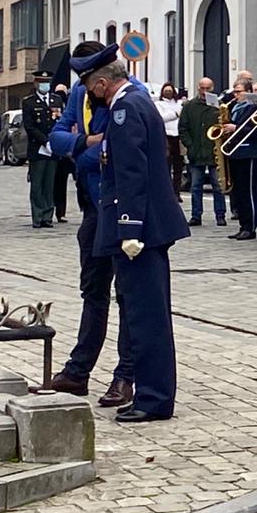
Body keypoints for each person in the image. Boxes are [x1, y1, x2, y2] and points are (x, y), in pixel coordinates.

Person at [81, 49, 188, 422]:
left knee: (146, 316)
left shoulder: (126, 111)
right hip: (148, 226)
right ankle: (152, 393)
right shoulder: (138, 102)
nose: (89, 94)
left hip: (140, 230)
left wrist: (129, 227)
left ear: (101, 83)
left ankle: (153, 398)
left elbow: (131, 174)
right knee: (147, 312)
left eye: (89, 87)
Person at [47, 42, 136, 405]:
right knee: (93, 292)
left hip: (118, 209)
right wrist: (85, 143)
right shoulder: (81, 94)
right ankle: (78, 372)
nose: (84, 87)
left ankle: (125, 376)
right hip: (92, 209)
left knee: (127, 297)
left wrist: (84, 150)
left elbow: (110, 154)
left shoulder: (130, 97)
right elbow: (57, 140)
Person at [179, 77, 228, 227]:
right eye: (202, 88)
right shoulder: (189, 106)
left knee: (217, 186)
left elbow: (225, 125)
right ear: (198, 88)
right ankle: (196, 215)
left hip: (214, 151)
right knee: (195, 186)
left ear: (213, 88)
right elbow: (183, 128)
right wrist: (190, 145)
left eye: (208, 88)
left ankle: (220, 214)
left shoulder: (218, 105)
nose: (205, 91)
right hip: (196, 151)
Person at [224, 77, 257, 240]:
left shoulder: (255, 107)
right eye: (234, 91)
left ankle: (251, 226)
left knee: (248, 191)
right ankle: (243, 225)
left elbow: (255, 129)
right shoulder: (234, 107)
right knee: (239, 192)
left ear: (248, 92)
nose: (236, 95)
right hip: (235, 152)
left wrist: (235, 128)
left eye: (239, 91)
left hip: (249, 152)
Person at [22, 69, 58, 229]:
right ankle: (37, 215)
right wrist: (45, 141)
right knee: (37, 184)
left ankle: (48, 216)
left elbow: (60, 122)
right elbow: (29, 126)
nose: (45, 85)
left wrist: (55, 141)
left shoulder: (56, 100)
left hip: (53, 148)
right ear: (36, 83)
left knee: (50, 184)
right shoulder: (29, 102)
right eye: (42, 82)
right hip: (38, 148)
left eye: (47, 82)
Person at [156, 82, 185, 198]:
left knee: (179, 166)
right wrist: (175, 114)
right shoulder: (158, 104)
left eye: (170, 91)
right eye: (166, 91)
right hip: (167, 136)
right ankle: (167, 192)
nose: (168, 93)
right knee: (167, 165)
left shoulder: (179, 103)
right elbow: (160, 118)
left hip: (178, 136)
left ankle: (176, 192)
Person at [50, 85, 73, 222]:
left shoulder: (68, 108)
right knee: (50, 184)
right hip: (50, 151)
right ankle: (48, 210)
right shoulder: (51, 106)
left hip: (65, 155)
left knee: (61, 184)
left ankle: (61, 212)